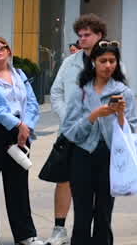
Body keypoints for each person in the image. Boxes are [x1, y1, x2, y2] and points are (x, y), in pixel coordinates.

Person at [60, 40, 137, 245]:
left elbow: (130, 131)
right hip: (82, 155)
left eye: (112, 61)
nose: (108, 65)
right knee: (82, 212)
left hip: (110, 157)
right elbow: (70, 131)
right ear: (94, 62)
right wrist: (94, 115)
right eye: (103, 61)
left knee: (104, 212)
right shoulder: (81, 92)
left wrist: (120, 114)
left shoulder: (124, 92)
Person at [48, 15, 107, 245]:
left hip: (100, 134)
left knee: (97, 185)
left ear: (99, 35)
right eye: (80, 35)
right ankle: (59, 229)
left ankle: (97, 233)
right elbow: (56, 93)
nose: (82, 39)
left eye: (87, 35)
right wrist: (68, 119)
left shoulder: (111, 61)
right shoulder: (69, 63)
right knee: (64, 180)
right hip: (70, 132)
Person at [0, 37, 45, 245]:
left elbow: (32, 102)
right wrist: (17, 124)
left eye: (1, 47)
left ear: (8, 50)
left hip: (21, 134)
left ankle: (25, 235)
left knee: (18, 187)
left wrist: (28, 126)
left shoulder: (20, 74)